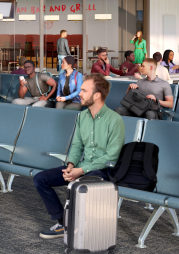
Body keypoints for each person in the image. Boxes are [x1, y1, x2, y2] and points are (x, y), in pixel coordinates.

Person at [35, 74, 124, 239]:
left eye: (83, 90)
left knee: (80, 184)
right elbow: (77, 145)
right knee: (40, 179)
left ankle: (83, 227)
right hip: (81, 166)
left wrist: (81, 170)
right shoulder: (82, 116)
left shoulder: (114, 120)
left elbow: (111, 156)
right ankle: (63, 223)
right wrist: (70, 165)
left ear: (96, 95)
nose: (80, 93)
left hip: (103, 170)